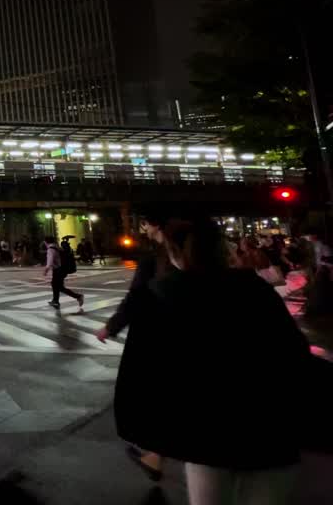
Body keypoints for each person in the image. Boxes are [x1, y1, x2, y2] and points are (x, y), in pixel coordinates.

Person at [116, 217, 308, 503]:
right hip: (269, 429)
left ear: (174, 253)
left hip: (205, 434)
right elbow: (295, 354)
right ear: (222, 250)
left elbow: (141, 376)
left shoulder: (162, 295)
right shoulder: (253, 289)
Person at [95, 211, 175, 481]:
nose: (143, 229)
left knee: (158, 394)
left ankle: (157, 454)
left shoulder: (158, 257)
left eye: (144, 224)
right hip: (184, 333)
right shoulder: (192, 254)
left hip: (157, 335)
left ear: (154, 225)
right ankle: (157, 454)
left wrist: (111, 326)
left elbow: (137, 297)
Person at [44, 236, 83, 310]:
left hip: (58, 270)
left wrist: (46, 269)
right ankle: (55, 301)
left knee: (58, 286)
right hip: (61, 269)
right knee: (56, 285)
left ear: (46, 242)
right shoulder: (57, 247)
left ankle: (78, 296)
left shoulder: (51, 249)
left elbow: (50, 260)